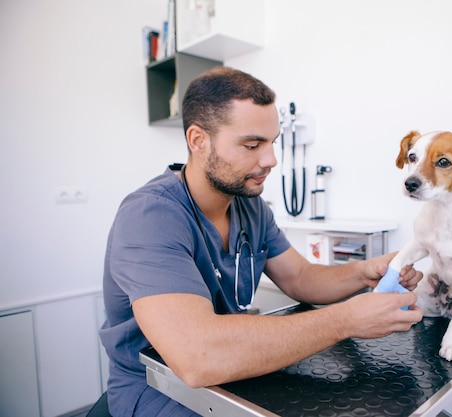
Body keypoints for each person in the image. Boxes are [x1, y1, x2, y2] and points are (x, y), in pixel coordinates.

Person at [99, 67, 423, 417]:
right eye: (251, 145)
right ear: (198, 140)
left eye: (272, 143)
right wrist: (345, 320)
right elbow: (197, 356)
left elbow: (300, 277)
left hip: (231, 379)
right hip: (159, 391)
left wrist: (364, 272)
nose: (270, 160)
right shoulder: (150, 216)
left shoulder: (250, 205)